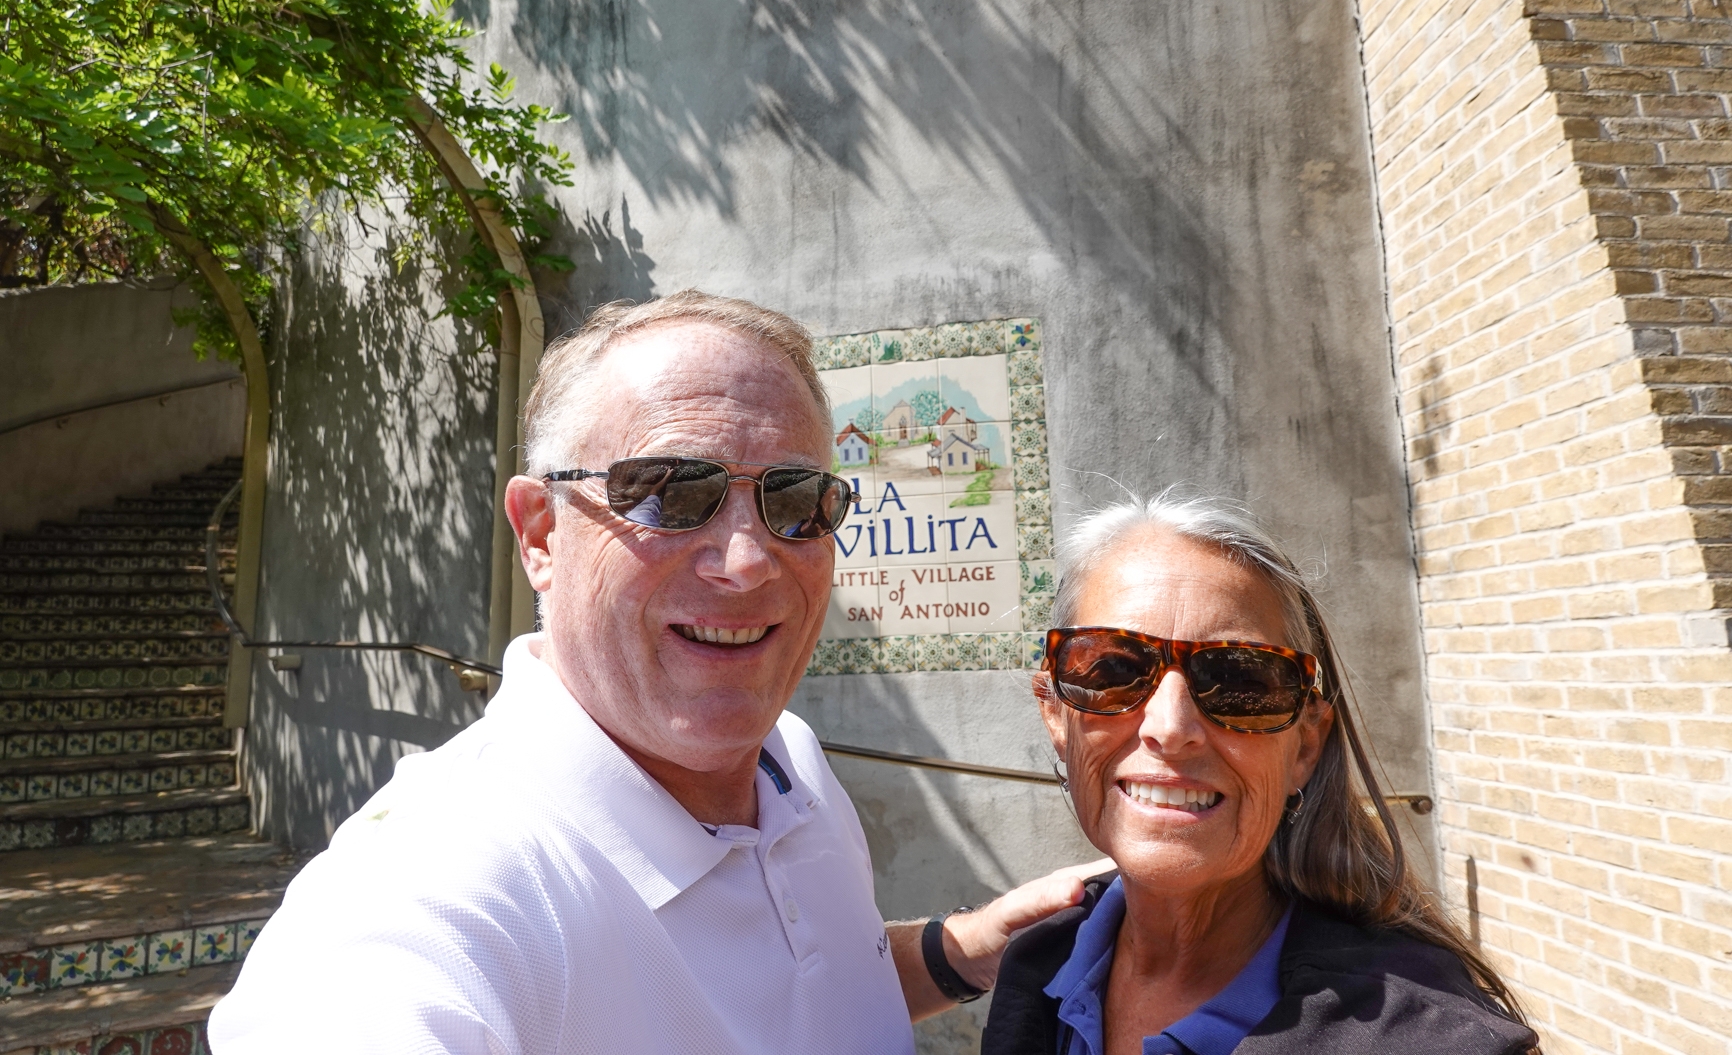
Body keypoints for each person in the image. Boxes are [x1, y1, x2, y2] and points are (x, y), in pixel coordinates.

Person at [210, 291, 1097, 1051]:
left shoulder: (789, 760)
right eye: (671, 492)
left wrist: (963, 949)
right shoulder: (430, 887)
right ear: (541, 533)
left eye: (795, 500)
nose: (746, 560)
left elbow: (800, 990)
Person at [983, 491, 1540, 1055]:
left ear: (1305, 746)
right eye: (1113, 670)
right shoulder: (1037, 964)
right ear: (1054, 713)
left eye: (1241, 681)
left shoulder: (1431, 1040)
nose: (1170, 728)